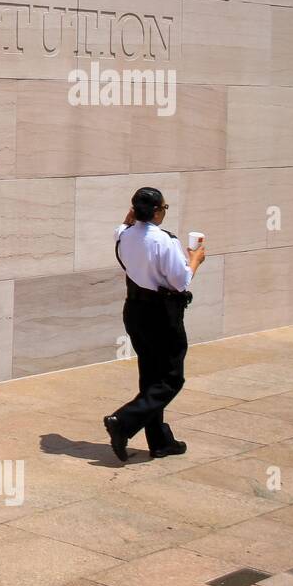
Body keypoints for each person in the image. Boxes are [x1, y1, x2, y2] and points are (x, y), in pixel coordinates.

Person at [103, 187, 205, 462]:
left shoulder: (123, 235)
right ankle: (122, 421)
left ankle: (160, 441)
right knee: (171, 378)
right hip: (161, 314)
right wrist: (195, 260)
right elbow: (180, 281)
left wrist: (130, 218)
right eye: (164, 208)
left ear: (134, 210)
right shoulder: (164, 242)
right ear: (158, 211)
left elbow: (122, 226)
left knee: (151, 376)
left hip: (134, 310)